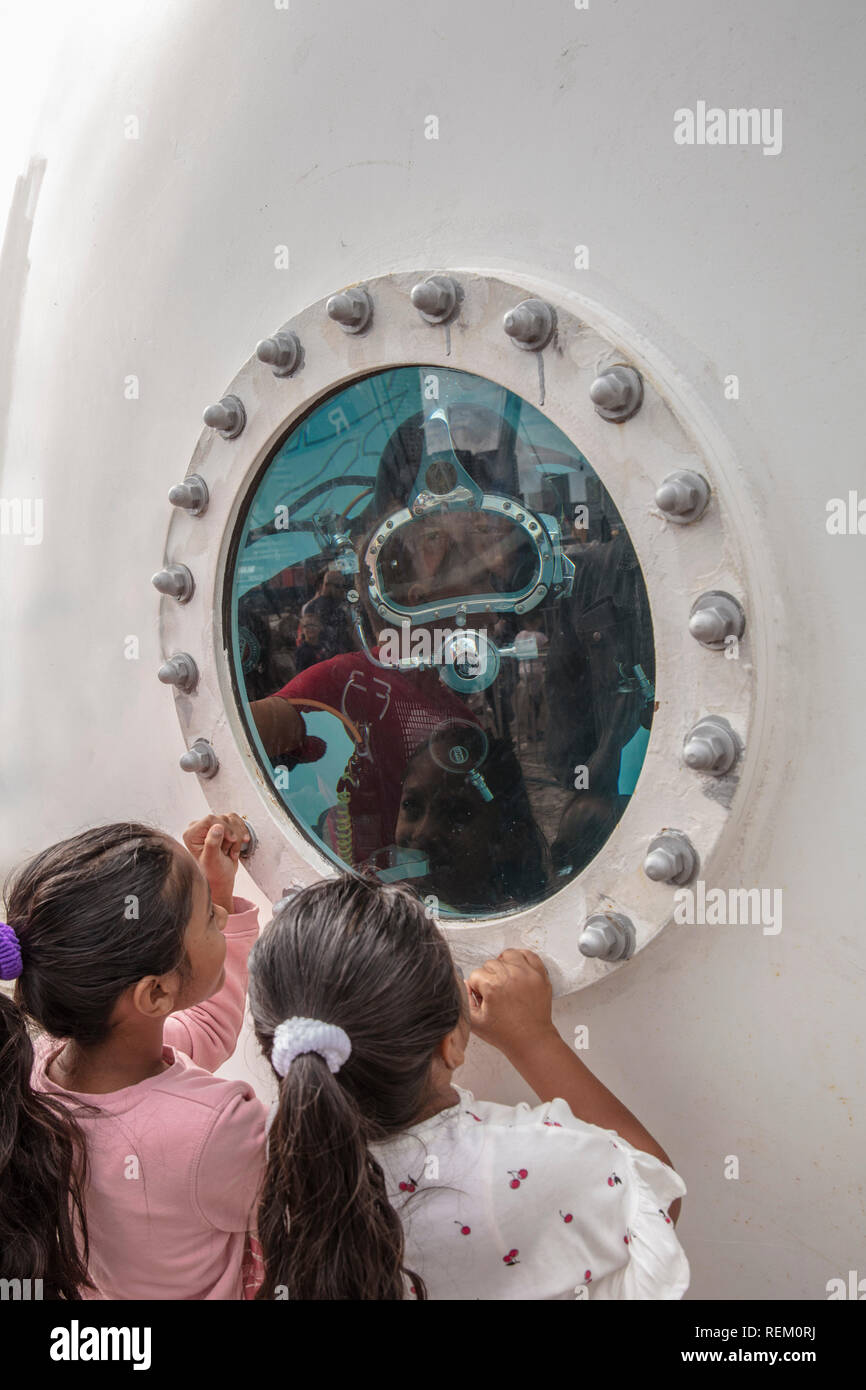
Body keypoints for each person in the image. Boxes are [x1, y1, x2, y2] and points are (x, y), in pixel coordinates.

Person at [247, 874, 688, 1300]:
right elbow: (654, 1196)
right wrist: (534, 1041)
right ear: (452, 1043)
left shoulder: (283, 1150)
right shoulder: (522, 1167)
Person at [0, 813, 267, 1299]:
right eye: (210, 918)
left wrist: (215, 894)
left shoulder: (34, 1076)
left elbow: (205, 1028)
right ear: (156, 995)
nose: (223, 920)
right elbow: (311, 1211)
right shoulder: (219, 1127)